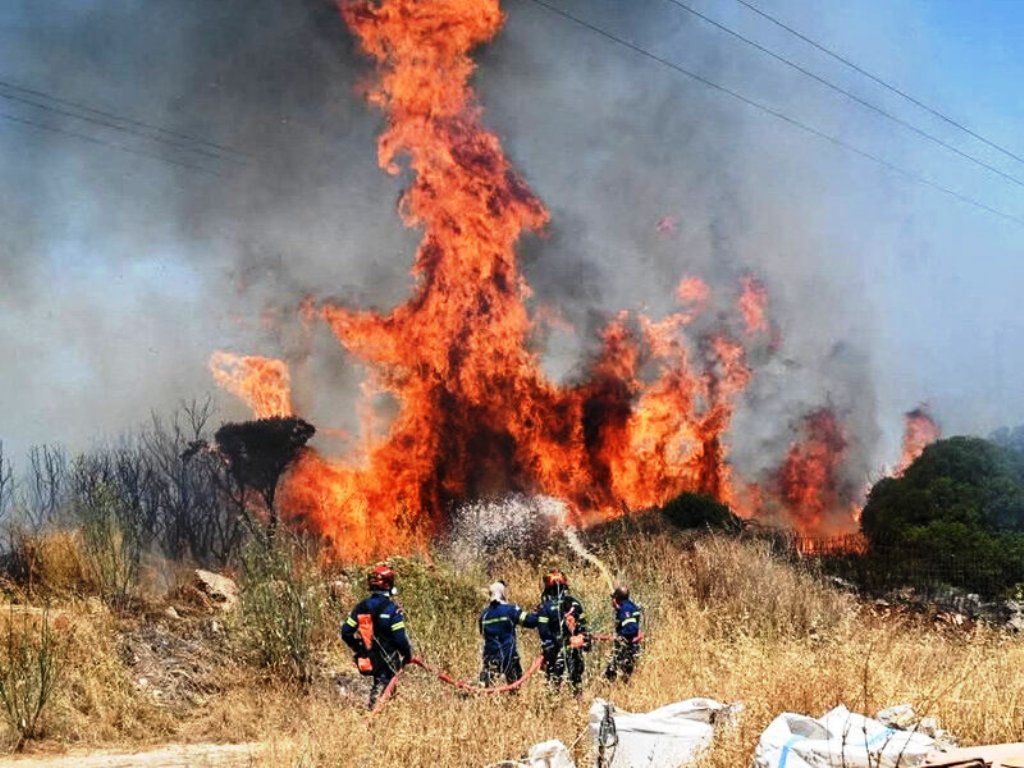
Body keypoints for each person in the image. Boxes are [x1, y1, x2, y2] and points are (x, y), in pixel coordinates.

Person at [340, 563, 413, 709]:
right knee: (383, 689)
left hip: (369, 656)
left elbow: (346, 632)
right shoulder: (393, 610)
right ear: (389, 585)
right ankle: (375, 714)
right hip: (388, 658)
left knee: (381, 685)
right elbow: (399, 638)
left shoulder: (361, 607)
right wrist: (407, 654)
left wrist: (359, 648)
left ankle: (382, 711)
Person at [534, 569, 591, 695]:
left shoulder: (545, 607)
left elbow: (544, 633)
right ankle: (578, 702)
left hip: (556, 653)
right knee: (576, 683)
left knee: (553, 686)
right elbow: (583, 627)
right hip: (575, 652)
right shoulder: (575, 603)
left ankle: (554, 704)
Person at [478, 581, 537, 687]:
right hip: (508, 655)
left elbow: (482, 633)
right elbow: (530, 622)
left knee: (487, 687)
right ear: (503, 593)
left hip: (490, 656)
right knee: (515, 686)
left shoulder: (484, 615)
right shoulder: (510, 610)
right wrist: (541, 614)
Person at [604, 584, 642, 682]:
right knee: (626, 675)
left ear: (617, 598)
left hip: (626, 646)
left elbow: (630, 627)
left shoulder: (625, 609)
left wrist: (622, 639)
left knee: (610, 674)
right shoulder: (632, 606)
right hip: (633, 645)